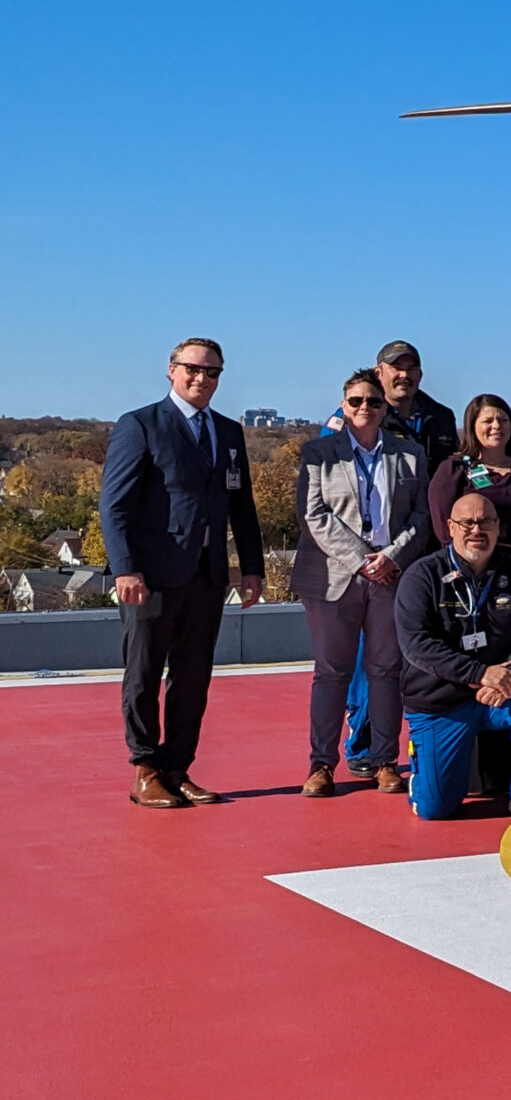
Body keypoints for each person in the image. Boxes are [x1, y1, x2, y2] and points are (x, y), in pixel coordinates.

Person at [99, 337, 266, 808]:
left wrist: (251, 568)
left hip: (207, 575)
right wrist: (125, 568)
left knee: (193, 677)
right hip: (151, 575)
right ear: (171, 370)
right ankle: (145, 768)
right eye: (192, 369)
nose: (201, 379)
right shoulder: (140, 425)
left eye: (212, 372)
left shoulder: (228, 432)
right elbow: (114, 505)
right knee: (143, 674)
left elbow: (242, 507)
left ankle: (177, 768)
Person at [292, 369, 434, 797]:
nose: (365, 408)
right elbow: (313, 515)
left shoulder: (410, 454)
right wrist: (361, 560)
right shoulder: (318, 453)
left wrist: (392, 556)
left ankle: (384, 761)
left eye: (373, 401)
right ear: (343, 405)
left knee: (386, 671)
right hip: (334, 577)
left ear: (384, 406)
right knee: (331, 673)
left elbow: (422, 516)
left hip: (391, 574)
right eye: (356, 401)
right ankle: (321, 764)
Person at [393, 492, 511, 823]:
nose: (476, 529)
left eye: (485, 522)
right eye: (467, 522)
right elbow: (416, 644)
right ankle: (422, 772)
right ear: (450, 527)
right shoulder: (422, 576)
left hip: (503, 693)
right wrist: (480, 674)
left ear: (498, 527)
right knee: (434, 808)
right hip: (442, 700)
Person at [427, 395, 511, 573]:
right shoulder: (453, 470)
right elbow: (442, 526)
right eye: (488, 421)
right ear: (472, 426)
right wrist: (464, 563)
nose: (497, 426)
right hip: (470, 567)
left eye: (503, 420)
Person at [374, 340, 460, 472]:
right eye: (396, 367)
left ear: (420, 375)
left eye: (411, 368)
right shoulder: (365, 416)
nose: (404, 375)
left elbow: (454, 468)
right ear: (377, 373)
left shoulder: (443, 417)